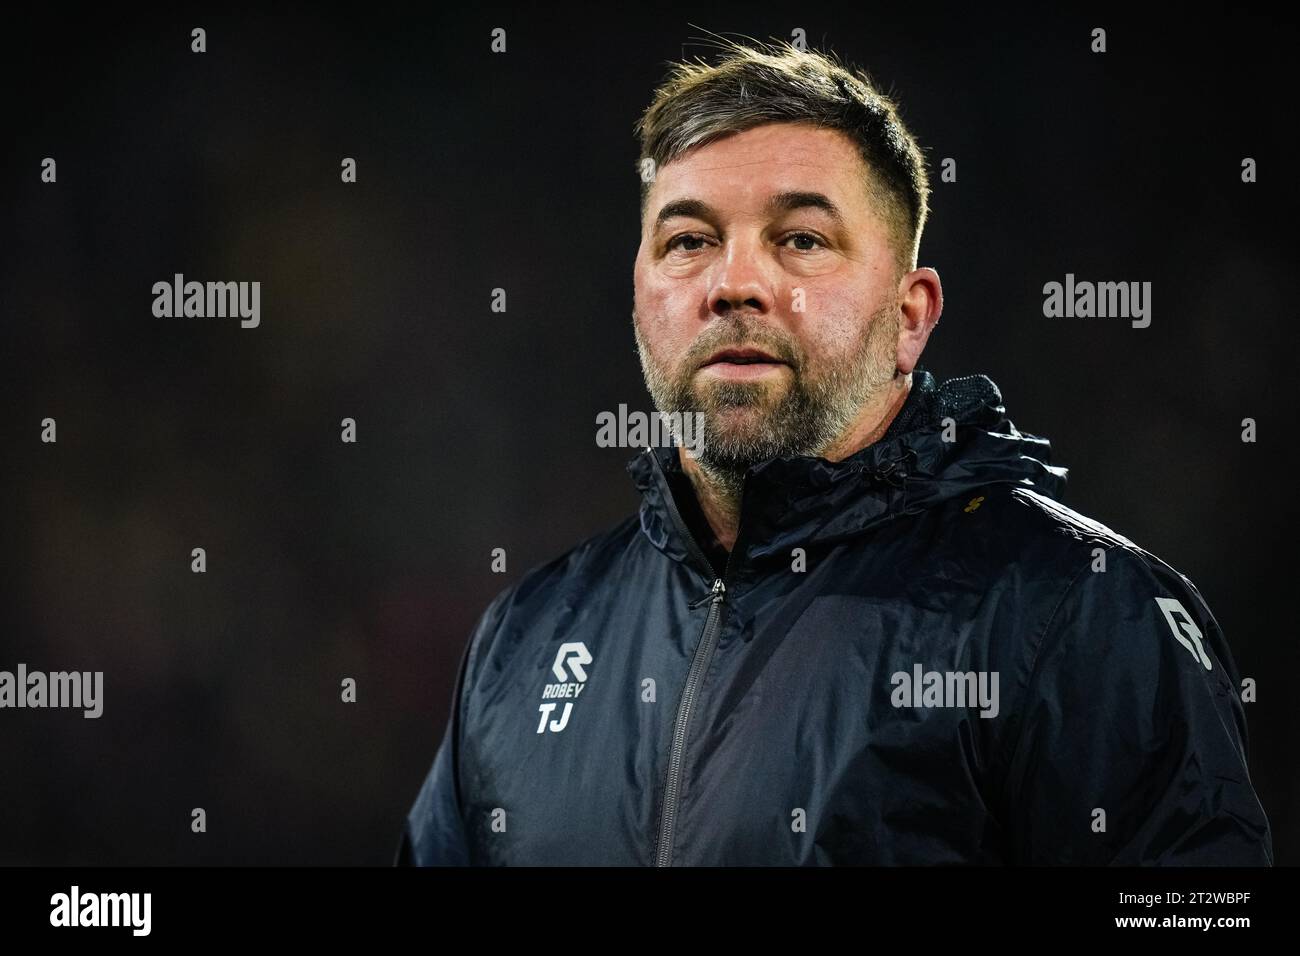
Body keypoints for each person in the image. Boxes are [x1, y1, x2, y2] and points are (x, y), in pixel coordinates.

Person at [397, 38, 1272, 865]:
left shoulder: (1077, 616)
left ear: (910, 315)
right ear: (639, 298)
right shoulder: (525, 641)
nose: (734, 283)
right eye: (689, 240)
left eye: (801, 240)